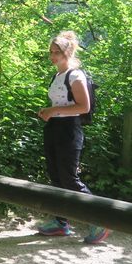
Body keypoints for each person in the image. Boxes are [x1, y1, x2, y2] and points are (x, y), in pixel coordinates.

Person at [37, 30, 110, 244]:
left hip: (69, 131)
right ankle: (61, 223)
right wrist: (48, 111)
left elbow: (83, 107)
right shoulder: (57, 75)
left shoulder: (75, 75)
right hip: (54, 129)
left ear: (67, 52)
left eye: (56, 52)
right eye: (50, 52)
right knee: (56, 177)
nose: (52, 56)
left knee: (69, 179)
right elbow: (60, 104)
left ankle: (100, 220)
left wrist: (53, 111)